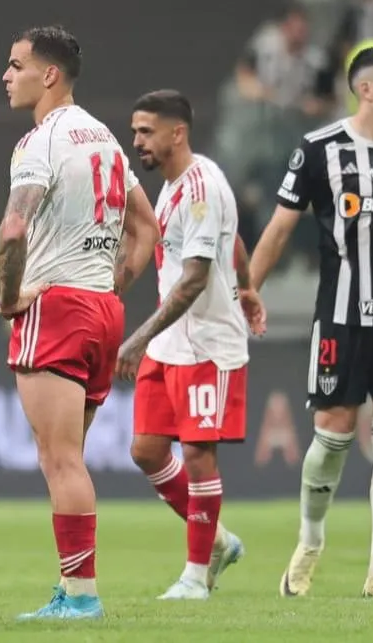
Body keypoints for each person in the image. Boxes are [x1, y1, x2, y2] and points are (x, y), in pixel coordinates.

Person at [245, 46, 373, 599]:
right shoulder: (317, 149)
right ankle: (310, 543)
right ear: (365, 89)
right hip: (341, 318)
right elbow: (280, 228)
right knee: (332, 440)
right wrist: (248, 290)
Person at [0, 25, 160, 620]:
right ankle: (72, 587)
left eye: (16, 65)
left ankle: (83, 594)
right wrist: (114, 285)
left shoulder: (39, 142)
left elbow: (14, 229)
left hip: (57, 307)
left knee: (60, 459)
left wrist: (8, 297)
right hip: (102, 311)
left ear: (49, 74)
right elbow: (146, 227)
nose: (6, 76)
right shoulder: (105, 138)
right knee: (68, 456)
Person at [117, 89, 260, 600]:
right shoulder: (175, 185)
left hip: (206, 345)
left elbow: (195, 278)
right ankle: (218, 540)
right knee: (147, 450)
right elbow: (231, 238)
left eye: (146, 132)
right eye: (135, 132)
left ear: (177, 133)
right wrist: (247, 285)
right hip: (171, 341)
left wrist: (138, 337)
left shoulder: (201, 188)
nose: (137, 141)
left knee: (198, 454)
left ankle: (197, 576)